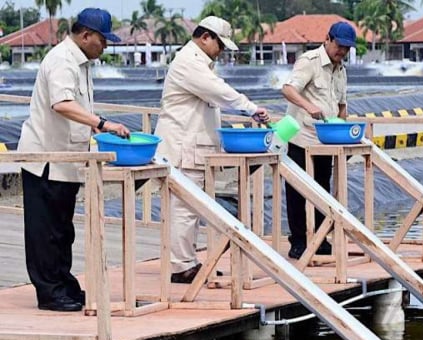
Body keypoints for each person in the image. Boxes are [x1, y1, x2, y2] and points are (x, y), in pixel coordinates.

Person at [17, 8, 130, 312]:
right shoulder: (62, 60)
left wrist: (93, 124)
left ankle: (63, 284)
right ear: (85, 35)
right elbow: (62, 103)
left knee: (63, 230)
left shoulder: (81, 63)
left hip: (67, 158)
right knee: (46, 231)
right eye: (102, 40)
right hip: (46, 159)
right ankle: (49, 293)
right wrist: (103, 123)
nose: (105, 47)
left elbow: (77, 106)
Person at [154, 16, 270, 283]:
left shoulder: (200, 63)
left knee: (190, 209)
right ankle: (181, 266)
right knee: (183, 209)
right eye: (220, 44)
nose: (221, 51)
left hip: (192, 146)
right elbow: (219, 92)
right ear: (205, 37)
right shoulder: (189, 63)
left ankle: (188, 261)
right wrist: (251, 108)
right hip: (182, 145)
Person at [281, 22, 356, 260]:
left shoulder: (341, 70)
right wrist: (308, 105)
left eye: (346, 49)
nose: (341, 52)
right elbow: (288, 89)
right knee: (297, 192)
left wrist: (342, 129)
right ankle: (298, 241)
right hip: (301, 137)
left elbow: (342, 104)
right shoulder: (310, 61)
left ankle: (321, 238)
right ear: (328, 39)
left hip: (326, 141)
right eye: (339, 46)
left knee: (323, 190)